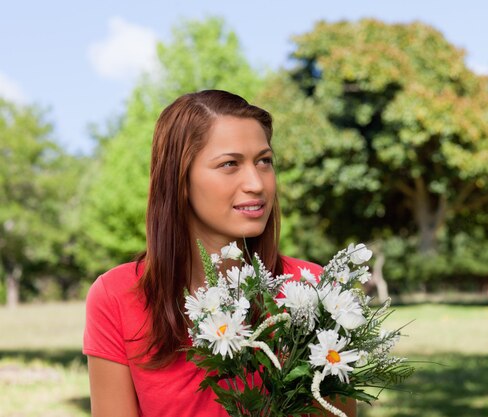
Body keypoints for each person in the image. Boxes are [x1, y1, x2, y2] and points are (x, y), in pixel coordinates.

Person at [83, 90, 357, 417]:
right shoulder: (116, 296)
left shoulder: (314, 288)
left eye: (264, 161)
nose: (256, 183)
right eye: (230, 164)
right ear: (179, 180)